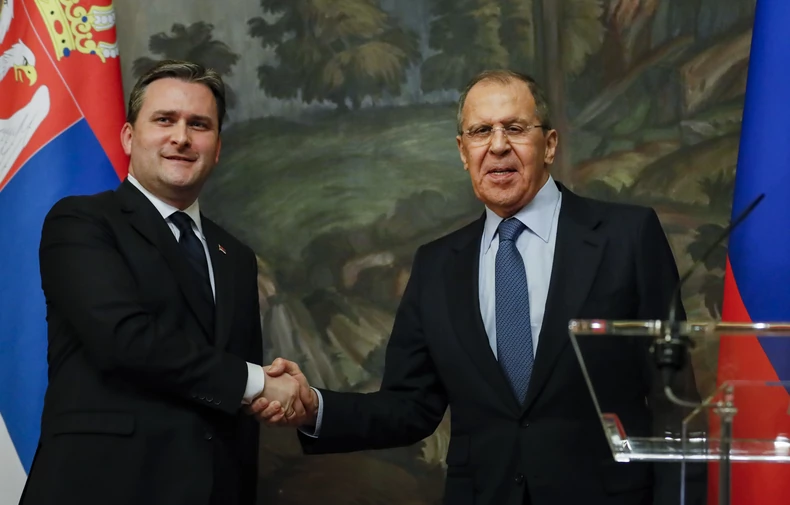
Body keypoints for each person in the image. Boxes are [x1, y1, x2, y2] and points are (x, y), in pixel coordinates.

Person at [252, 70, 705, 505]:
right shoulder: (436, 266)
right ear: (462, 150)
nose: (498, 145)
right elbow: (409, 407)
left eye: (515, 128)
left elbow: (675, 403)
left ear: (549, 144)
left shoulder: (626, 237)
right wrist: (315, 408)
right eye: (481, 131)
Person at [20, 60, 304, 505]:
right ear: (128, 137)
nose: (181, 137)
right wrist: (259, 382)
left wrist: (263, 396)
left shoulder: (236, 257)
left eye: (199, 124)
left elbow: (227, 386)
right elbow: (125, 340)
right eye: (165, 120)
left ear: (217, 147)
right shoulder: (82, 222)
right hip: (103, 488)